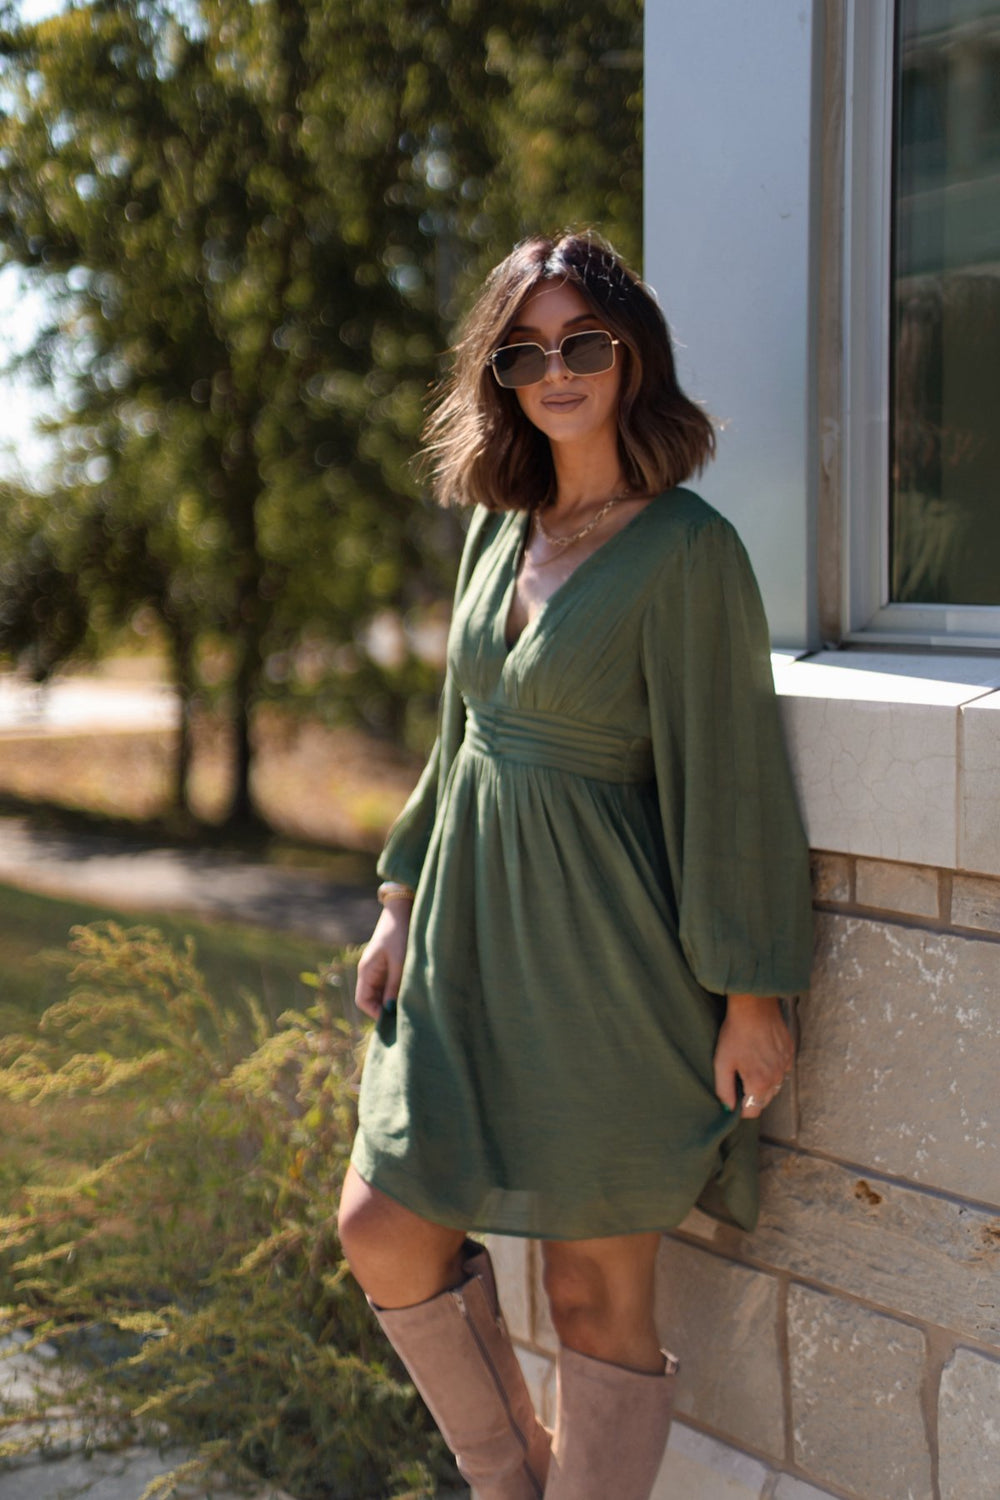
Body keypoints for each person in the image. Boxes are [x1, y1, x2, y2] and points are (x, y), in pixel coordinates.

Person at [337, 232, 812, 1500]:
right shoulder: (501, 532)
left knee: (596, 1298)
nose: (557, 370)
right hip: (463, 950)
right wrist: (397, 902)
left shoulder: (688, 552)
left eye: (582, 344)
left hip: (606, 969)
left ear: (629, 356)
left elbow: (732, 782)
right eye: (526, 350)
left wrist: (752, 994)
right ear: (497, 374)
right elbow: (457, 740)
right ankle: (511, 1477)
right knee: (381, 1227)